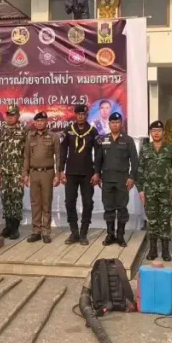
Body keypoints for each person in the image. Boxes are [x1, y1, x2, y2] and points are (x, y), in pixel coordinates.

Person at [137, 120, 172, 261]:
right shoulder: (145, 149)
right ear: (150, 133)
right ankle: (153, 249)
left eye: (159, 131)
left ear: (163, 132)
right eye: (153, 131)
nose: (156, 133)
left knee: (165, 220)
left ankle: (165, 250)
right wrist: (140, 190)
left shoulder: (171, 149)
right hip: (149, 191)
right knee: (152, 220)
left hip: (165, 191)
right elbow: (140, 169)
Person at [94, 112, 139, 247]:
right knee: (108, 208)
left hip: (122, 180)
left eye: (118, 122)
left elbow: (135, 160)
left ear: (121, 124)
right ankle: (110, 235)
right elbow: (98, 159)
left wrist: (132, 177)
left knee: (122, 208)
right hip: (107, 180)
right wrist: (97, 174)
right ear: (109, 124)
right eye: (113, 122)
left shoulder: (128, 140)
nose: (115, 125)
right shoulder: (103, 139)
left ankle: (120, 235)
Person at [59, 103, 100, 245]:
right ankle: (74, 232)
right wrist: (60, 170)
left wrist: (97, 172)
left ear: (86, 115)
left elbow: (99, 153)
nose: (81, 116)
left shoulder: (92, 131)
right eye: (79, 114)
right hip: (71, 172)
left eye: (83, 114)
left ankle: (83, 233)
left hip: (87, 173)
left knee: (87, 203)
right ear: (75, 115)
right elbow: (63, 151)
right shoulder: (68, 130)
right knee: (69, 202)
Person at [23, 112, 61, 244]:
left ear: (46, 122)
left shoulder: (53, 136)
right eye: (37, 121)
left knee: (46, 202)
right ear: (35, 123)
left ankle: (46, 232)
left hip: (47, 173)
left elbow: (58, 157)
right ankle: (36, 231)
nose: (39, 123)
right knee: (35, 203)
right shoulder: (30, 136)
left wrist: (58, 175)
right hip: (34, 173)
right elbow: (26, 156)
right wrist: (25, 174)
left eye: (42, 121)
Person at [0, 104, 28, 240]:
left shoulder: (24, 130)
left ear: (18, 116)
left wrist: (25, 172)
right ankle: (7, 226)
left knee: (16, 198)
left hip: (17, 170)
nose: (10, 117)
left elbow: (27, 153)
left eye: (13, 115)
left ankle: (15, 227)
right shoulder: (0, 130)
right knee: (5, 198)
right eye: (8, 115)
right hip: (3, 170)